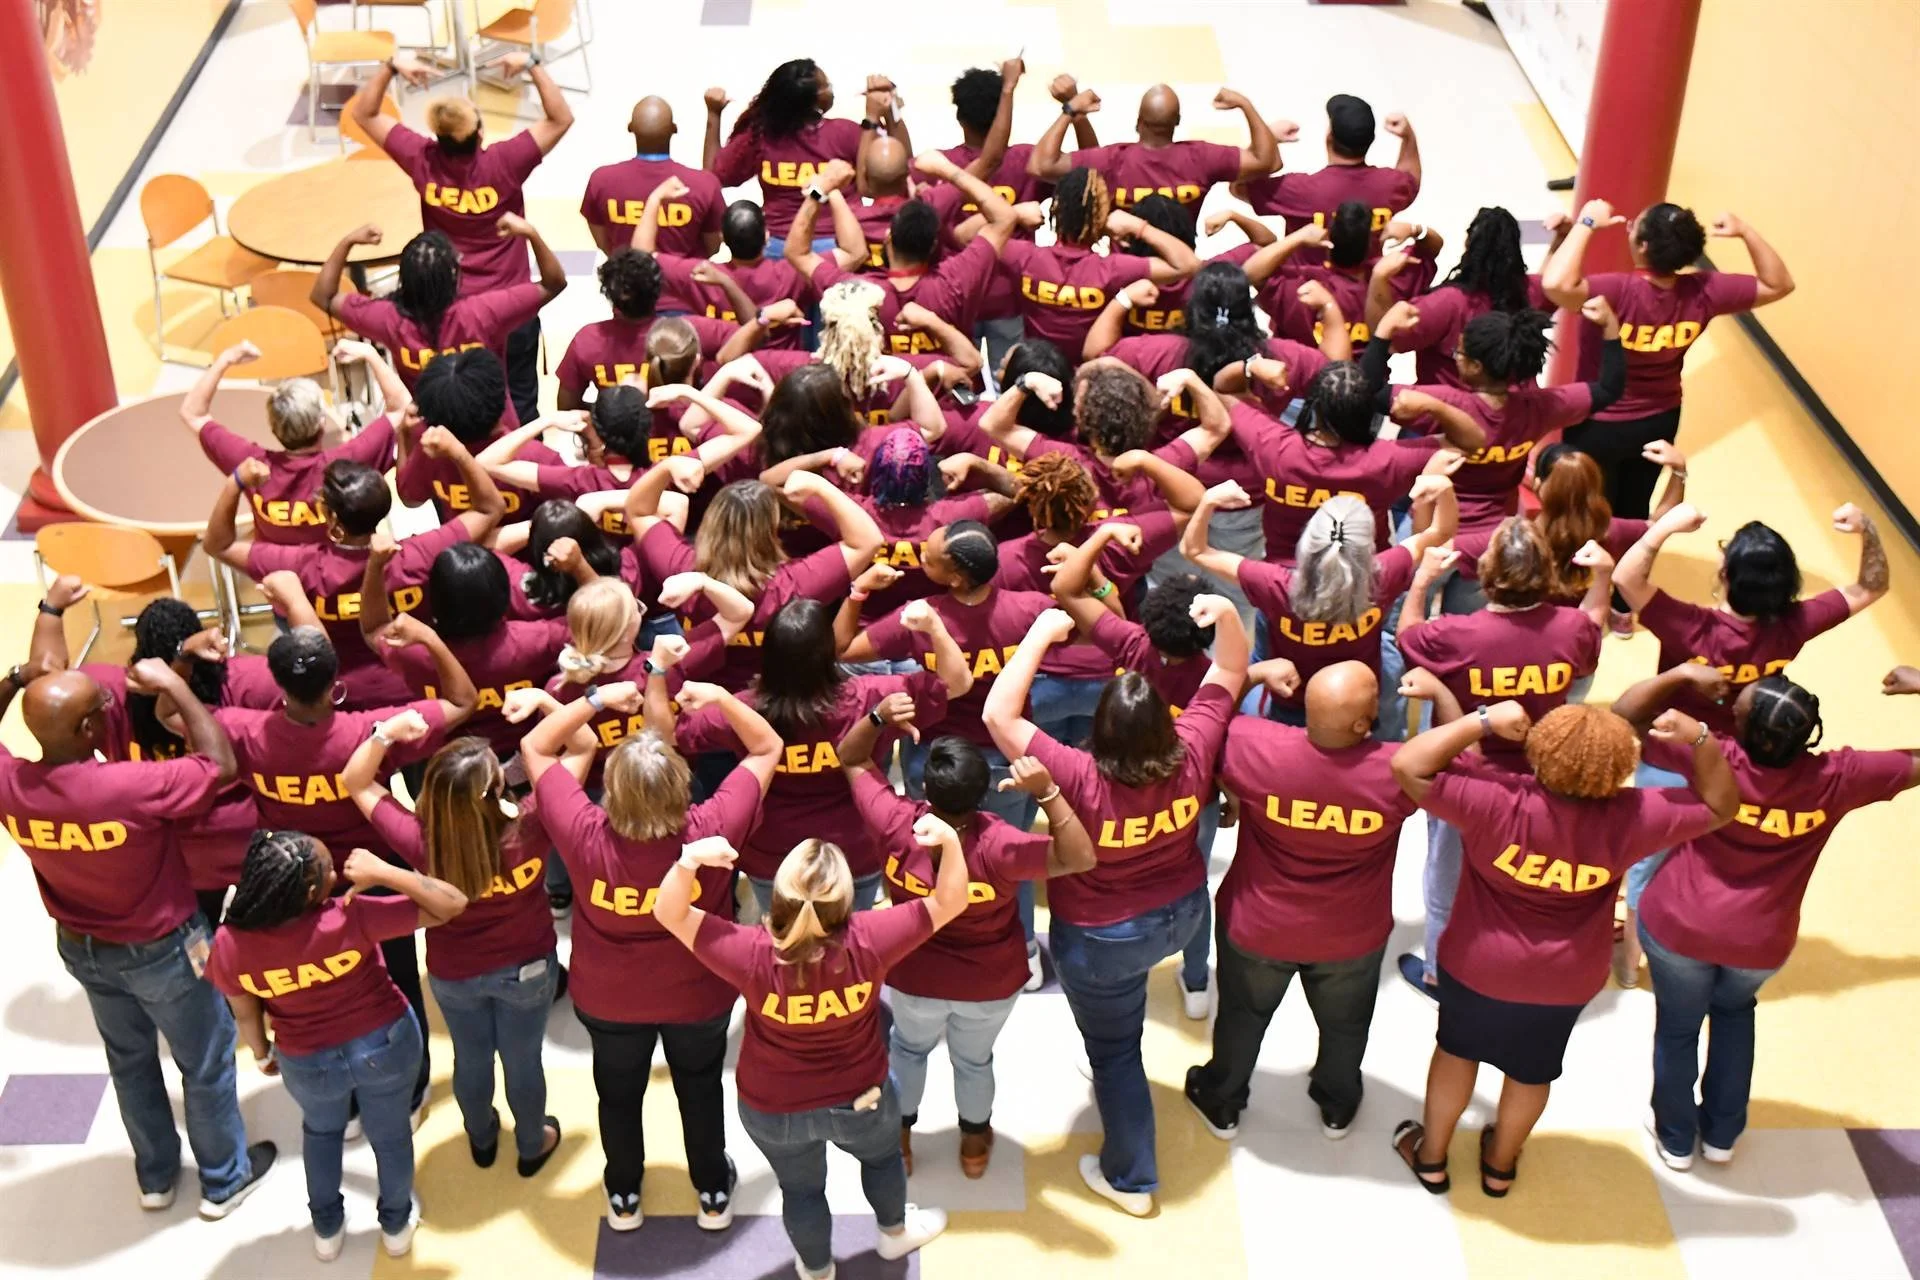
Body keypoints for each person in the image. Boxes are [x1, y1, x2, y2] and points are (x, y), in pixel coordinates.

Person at [1388, 698, 1736, 1197]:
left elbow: (1408, 765)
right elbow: (1722, 804)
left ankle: (1432, 1158)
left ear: (1539, 752)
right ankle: (1500, 1168)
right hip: (1568, 975)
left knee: (1456, 1052)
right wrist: (1701, 737)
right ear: (1622, 766)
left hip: (1478, 960)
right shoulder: (1637, 816)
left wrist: (1481, 720)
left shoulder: (1496, 800)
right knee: (1532, 1071)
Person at [983, 598, 1247, 1216]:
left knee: (1116, 1054)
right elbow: (1230, 670)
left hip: (1102, 938)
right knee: (1117, 1030)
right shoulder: (1193, 746)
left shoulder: (1076, 774)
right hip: (1180, 917)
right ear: (1164, 721)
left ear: (1098, 730)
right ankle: (1125, 1032)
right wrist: (1227, 616)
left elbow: (999, 713)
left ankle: (1131, 1180)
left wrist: (1043, 633)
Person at [1613, 666, 1920, 1168]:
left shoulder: (1713, 758)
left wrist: (1681, 676)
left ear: (1742, 729)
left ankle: (1674, 1139)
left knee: (1678, 1026)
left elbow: (1626, 714)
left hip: (1679, 924)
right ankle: (1722, 1136)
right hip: (1762, 938)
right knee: (1735, 1014)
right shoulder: (1839, 778)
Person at [520, 657, 781, 1232]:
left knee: (616, 1096)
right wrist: (720, 697)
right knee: (699, 1089)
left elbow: (535, 749)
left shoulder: (582, 830)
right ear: (682, 785)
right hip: (699, 995)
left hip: (608, 998)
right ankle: (712, 1191)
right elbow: (766, 749)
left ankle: (623, 1195)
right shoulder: (711, 826)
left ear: (610, 788)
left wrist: (593, 701)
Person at [11, 660, 274, 1219]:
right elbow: (219, 763)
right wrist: (175, 685)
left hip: (83, 948)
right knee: (204, 1059)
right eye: (99, 708)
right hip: (165, 946)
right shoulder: (130, 786)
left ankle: (155, 1177)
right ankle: (225, 1179)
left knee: (129, 1061)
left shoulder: (13, 787)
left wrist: (14, 680)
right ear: (88, 731)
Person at [655, 827, 968, 1279]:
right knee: (882, 1160)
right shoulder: (872, 938)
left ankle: (817, 1270)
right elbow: (951, 900)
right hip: (861, 1096)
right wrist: (952, 844)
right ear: (844, 905)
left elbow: (669, 912)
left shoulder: (748, 952)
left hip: (771, 1105)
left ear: (778, 899)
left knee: (801, 1191)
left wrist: (688, 861)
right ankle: (895, 1236)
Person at [212, 622, 475, 1114]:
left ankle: (342, 1103)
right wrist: (433, 640)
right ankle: (411, 1093)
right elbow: (462, 701)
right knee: (396, 984)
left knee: (309, 989)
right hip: (369, 874)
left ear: (278, 685)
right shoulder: (370, 731)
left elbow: (172, 713)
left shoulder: (241, 729)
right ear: (337, 684)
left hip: (284, 880)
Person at [841, 712, 1094, 1178]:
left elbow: (852, 758)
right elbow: (1079, 855)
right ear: (983, 792)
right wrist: (1048, 791)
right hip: (990, 983)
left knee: (909, 1051)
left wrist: (877, 718)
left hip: (915, 975)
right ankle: (974, 1146)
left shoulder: (899, 823)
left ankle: (900, 1142)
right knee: (973, 1060)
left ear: (926, 790)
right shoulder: (999, 845)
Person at [1185, 661, 1423, 1140]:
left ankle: (1223, 1100)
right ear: (1362, 722)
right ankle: (1337, 1105)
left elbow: (1203, 726)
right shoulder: (1396, 770)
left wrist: (1251, 676)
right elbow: (1461, 764)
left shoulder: (1257, 745)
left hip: (1258, 925)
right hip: (1351, 935)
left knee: (1240, 1017)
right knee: (1346, 1025)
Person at [208, 831, 466, 1259]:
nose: (338, 871)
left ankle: (327, 1229)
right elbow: (451, 903)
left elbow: (246, 1013)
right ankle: (397, 1224)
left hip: (305, 1060)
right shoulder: (351, 915)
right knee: (391, 1136)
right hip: (385, 1042)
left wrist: (260, 1052)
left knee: (321, 1135)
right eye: (330, 868)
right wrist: (385, 871)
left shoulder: (230, 946)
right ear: (313, 891)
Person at [1393, 521, 1611, 996]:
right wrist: (1602, 578)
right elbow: (1594, 629)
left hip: (1465, 777)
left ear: (1486, 573)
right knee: (1522, 880)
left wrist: (1422, 580)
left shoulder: (1454, 634)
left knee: (1445, 877)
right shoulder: (1570, 629)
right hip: (1540, 779)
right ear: (1547, 573)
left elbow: (1407, 636)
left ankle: (1437, 971)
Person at [343, 718, 563, 1180]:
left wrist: (384, 733)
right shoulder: (533, 823)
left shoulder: (419, 840)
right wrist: (555, 701)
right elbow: (580, 747)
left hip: (454, 972)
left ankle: (481, 1138)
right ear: (497, 787)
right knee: (524, 1060)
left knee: (471, 1057)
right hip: (528, 965)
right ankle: (530, 1143)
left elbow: (355, 780)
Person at [676, 597, 970, 912]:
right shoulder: (873, 698)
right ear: (828, 652)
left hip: (772, 855)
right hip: (855, 849)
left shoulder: (741, 711)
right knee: (852, 947)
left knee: (784, 948)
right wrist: (935, 628)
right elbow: (957, 683)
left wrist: (660, 670)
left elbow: (670, 733)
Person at [29, 577, 287, 925]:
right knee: (262, 939)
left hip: (168, 857)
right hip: (247, 842)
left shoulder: (109, 694)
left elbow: (46, 681)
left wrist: (52, 609)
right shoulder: (248, 681)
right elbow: (310, 700)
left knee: (204, 938)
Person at [206, 422, 504, 707]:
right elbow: (491, 508)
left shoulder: (301, 565)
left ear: (334, 521)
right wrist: (458, 452)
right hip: (418, 691)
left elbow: (218, 544)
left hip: (342, 698)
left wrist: (236, 483)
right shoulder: (418, 555)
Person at [351, 51, 575, 424]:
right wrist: (532, 63)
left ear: (438, 138)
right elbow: (560, 117)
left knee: (455, 400)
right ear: (480, 134)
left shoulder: (422, 159)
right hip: (511, 305)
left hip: (453, 314)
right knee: (519, 401)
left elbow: (365, 113)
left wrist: (390, 65)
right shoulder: (504, 162)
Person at [1542, 198, 1794, 518]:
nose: (1629, 228)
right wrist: (1745, 231)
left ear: (1643, 246)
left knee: (1580, 512)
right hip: (1658, 420)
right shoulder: (1704, 291)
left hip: (1598, 423)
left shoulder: (1616, 290)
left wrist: (1586, 223)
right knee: (1633, 511)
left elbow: (1555, 284)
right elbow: (1779, 284)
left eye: (1634, 226)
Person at [1183, 476, 1456, 729]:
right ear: (1369, 546)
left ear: (1307, 543)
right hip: (1359, 699)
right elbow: (1440, 531)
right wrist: (1444, 490)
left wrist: (1208, 501)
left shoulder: (1275, 584)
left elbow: (1194, 550)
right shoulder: (1385, 573)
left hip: (1290, 697)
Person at [1614, 502, 1888, 735]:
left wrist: (1664, 527)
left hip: (1675, 744)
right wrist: (1866, 527)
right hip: (1742, 750)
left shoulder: (1691, 627)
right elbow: (1871, 587)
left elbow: (1625, 577)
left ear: (1725, 575)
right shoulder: (1798, 622)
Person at [1368, 298, 1626, 536]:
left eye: (1459, 354)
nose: (1456, 359)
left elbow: (1369, 389)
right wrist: (1610, 328)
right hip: (1495, 535)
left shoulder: (1445, 403)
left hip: (1435, 530)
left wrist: (1383, 333)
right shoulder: (1541, 407)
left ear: (1476, 366)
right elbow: (1608, 389)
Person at [628, 469, 884, 691]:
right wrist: (822, 487)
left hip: (699, 705)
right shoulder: (795, 585)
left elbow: (639, 511)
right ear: (771, 529)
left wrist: (666, 469)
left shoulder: (682, 570)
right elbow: (868, 540)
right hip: (771, 710)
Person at [314, 218, 566, 426]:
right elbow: (554, 283)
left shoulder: (389, 319)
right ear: (453, 277)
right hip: (494, 433)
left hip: (432, 438)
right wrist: (530, 233)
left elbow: (323, 296)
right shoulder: (482, 312)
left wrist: (347, 242)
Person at [360, 542, 571, 763]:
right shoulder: (537, 640)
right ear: (503, 594)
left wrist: (375, 566)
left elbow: (374, 630)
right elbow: (599, 623)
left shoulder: (414, 653)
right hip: (529, 755)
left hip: (449, 767)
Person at [1225, 363, 1456, 564]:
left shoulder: (1273, 446)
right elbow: (1470, 441)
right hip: (1367, 578)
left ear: (1314, 407)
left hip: (1285, 578)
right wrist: (1436, 406)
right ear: (1369, 413)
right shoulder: (1389, 459)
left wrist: (1250, 366)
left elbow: (1225, 390)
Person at [785, 150, 1017, 348]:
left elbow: (798, 253)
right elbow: (1004, 217)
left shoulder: (860, 293)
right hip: (947, 398)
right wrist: (947, 170)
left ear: (888, 239)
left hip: (882, 400)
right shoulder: (956, 281)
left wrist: (822, 189)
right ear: (934, 245)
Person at [782, 426, 1014, 622]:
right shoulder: (954, 514)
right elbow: (1020, 490)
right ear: (927, 473)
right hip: (926, 631)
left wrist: (833, 456)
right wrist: (976, 463)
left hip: (861, 631)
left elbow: (774, 483)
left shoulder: (848, 511)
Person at [183, 340, 397, 545]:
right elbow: (401, 408)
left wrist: (225, 360)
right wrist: (370, 354)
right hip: (345, 574)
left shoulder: (251, 466)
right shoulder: (350, 462)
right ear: (322, 423)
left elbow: (193, 413)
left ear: (273, 427)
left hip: (277, 573)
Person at [994, 163, 1199, 356]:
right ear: (1102, 217)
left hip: (1036, 370)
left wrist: (1013, 213)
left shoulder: (1024, 257)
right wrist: (1139, 227)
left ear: (1055, 210)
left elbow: (967, 235)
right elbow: (1187, 265)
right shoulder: (1114, 269)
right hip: (1090, 377)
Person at [554, 248, 788, 410]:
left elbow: (566, 406)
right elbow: (757, 335)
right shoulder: (690, 331)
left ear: (609, 294)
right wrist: (727, 283)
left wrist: (612, 415)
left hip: (623, 451)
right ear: (659, 292)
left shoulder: (587, 340)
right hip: (687, 448)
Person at [1372, 206, 1557, 389]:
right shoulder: (1531, 291)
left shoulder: (1446, 303)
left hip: (1452, 409)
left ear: (1469, 244)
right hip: (1519, 408)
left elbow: (1391, 339)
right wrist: (1560, 239)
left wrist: (1378, 279)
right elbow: (1554, 284)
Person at [705, 58, 878, 251]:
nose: (831, 90)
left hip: (780, 246)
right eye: (827, 86)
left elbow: (712, 175)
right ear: (813, 101)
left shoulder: (760, 137)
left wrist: (713, 114)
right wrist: (884, 115)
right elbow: (888, 178)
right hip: (840, 244)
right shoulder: (846, 133)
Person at [1028, 82, 1277, 214]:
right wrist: (1245, 105)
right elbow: (1268, 161)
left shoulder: (1114, 160)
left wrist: (1071, 109)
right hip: (1180, 274)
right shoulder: (1201, 158)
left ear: (1138, 123)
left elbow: (1041, 165)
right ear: (1177, 122)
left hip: (1124, 277)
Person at [1236, 95, 1419, 266]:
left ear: (1329, 137)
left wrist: (1268, 139)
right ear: (1371, 139)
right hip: (1366, 290)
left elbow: (1239, 187)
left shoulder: (1300, 190)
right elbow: (1411, 179)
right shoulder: (1390, 186)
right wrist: (1408, 137)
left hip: (1303, 289)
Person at [639, 195, 819, 343]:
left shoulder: (702, 275)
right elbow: (847, 255)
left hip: (720, 374)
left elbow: (641, 256)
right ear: (766, 236)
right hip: (781, 378)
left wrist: (655, 198)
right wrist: (823, 194)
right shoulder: (794, 274)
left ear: (722, 238)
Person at [580, 96, 725, 264]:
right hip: (683, 286)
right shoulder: (704, 184)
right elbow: (713, 246)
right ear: (674, 129)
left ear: (630, 128)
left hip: (626, 284)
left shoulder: (601, 181)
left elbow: (604, 243)